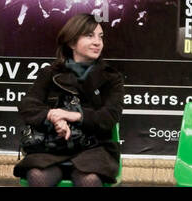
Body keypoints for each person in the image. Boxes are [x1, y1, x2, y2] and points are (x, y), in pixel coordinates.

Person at [14, 13, 124, 187]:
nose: (97, 42)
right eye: (90, 36)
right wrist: (52, 116)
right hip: (51, 148)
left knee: (89, 180)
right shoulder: (50, 73)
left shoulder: (111, 78)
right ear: (72, 42)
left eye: (100, 37)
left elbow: (110, 116)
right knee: (37, 176)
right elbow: (27, 105)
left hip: (94, 150)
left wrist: (75, 116)